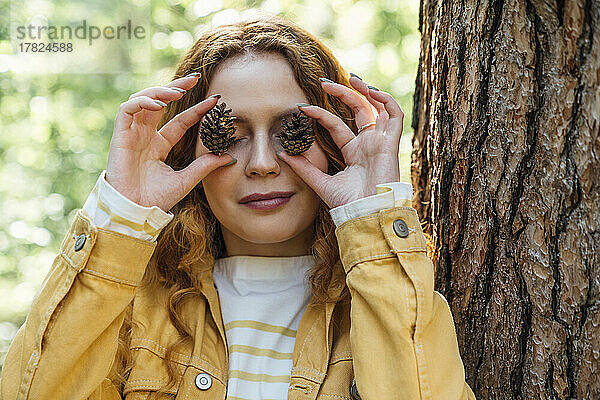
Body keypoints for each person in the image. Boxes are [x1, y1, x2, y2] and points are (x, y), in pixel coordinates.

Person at [1, 14, 476, 400]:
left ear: (336, 139)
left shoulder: (385, 304)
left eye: (293, 130)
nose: (263, 164)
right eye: (228, 136)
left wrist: (372, 217)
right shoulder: (129, 315)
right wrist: (123, 214)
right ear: (189, 151)